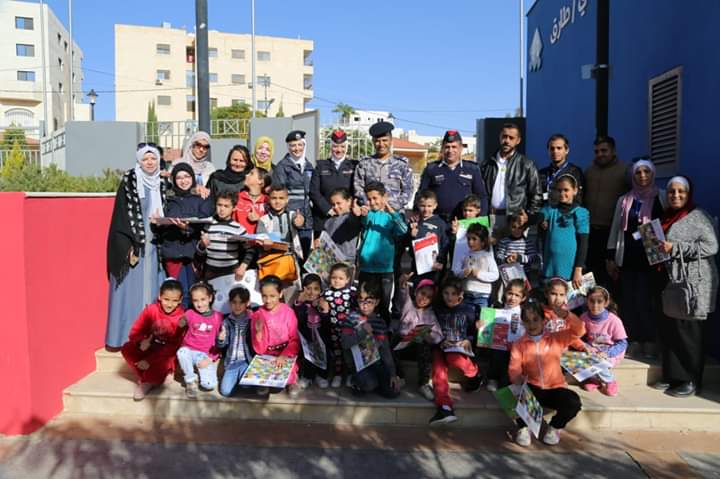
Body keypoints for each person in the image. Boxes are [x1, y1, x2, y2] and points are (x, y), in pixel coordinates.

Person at [655, 176, 718, 398]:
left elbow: (712, 246)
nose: (676, 195)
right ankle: (674, 375)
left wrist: (676, 248)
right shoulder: (666, 217)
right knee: (672, 329)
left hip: (695, 283)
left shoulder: (698, 216)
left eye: (681, 191)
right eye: (672, 191)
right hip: (674, 282)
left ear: (688, 194)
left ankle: (691, 379)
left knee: (689, 332)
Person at [106, 144, 167, 349]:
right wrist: (128, 243)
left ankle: (153, 335)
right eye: (145, 159)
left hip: (155, 247)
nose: (150, 163)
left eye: (153, 159)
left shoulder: (162, 183)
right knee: (130, 293)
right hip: (134, 246)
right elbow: (121, 214)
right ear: (139, 161)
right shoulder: (130, 180)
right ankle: (126, 336)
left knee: (153, 289)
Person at [607, 160, 666, 358]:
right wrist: (611, 256)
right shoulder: (625, 200)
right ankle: (633, 340)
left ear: (653, 174)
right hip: (628, 257)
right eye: (638, 172)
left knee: (646, 301)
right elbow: (616, 229)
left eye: (646, 171)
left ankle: (649, 341)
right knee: (629, 301)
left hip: (652, 259)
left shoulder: (661, 197)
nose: (642, 176)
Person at [509, 301, 585, 446]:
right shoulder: (519, 344)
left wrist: (567, 315)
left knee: (573, 402)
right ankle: (523, 427)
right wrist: (518, 383)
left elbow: (579, 331)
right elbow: (514, 369)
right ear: (522, 322)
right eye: (527, 321)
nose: (531, 324)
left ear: (543, 320)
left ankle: (555, 427)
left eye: (535, 319)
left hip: (555, 388)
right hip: (533, 388)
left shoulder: (556, 338)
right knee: (511, 393)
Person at [353, 182, 408, 324]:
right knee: (365, 302)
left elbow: (403, 230)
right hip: (366, 268)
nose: (372, 202)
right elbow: (364, 221)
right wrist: (362, 214)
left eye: (375, 198)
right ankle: (364, 331)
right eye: (369, 199)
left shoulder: (391, 217)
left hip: (385, 270)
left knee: (383, 304)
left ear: (385, 197)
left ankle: (384, 331)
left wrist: (392, 212)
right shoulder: (368, 214)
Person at [121, 278, 185, 401]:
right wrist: (141, 341)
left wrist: (149, 361)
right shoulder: (151, 310)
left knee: (159, 367)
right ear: (159, 296)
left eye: (174, 301)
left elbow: (173, 347)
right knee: (127, 348)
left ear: (180, 300)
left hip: (166, 355)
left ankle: (148, 381)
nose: (170, 304)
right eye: (166, 299)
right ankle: (149, 377)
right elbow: (135, 331)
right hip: (150, 348)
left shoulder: (182, 318)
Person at [430, 276, 482, 425]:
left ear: (461, 295)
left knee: (453, 357)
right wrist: (440, 341)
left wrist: (469, 339)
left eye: (453, 294)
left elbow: (472, 331)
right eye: (446, 293)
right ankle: (445, 408)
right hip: (441, 346)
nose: (449, 297)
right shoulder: (437, 309)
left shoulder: (468, 310)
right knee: (438, 372)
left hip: (459, 348)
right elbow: (432, 329)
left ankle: (475, 374)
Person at [159, 163, 214, 304]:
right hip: (173, 252)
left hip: (193, 253)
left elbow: (205, 221)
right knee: (177, 294)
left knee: (195, 293)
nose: (183, 181)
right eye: (179, 178)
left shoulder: (202, 197)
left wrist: (188, 228)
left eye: (187, 176)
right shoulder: (167, 199)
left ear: (193, 178)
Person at [583, 136, 630, 291]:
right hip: (591, 231)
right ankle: (591, 302)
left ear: (613, 151)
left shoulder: (625, 171)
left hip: (612, 232)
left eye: (604, 150)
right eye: (596, 151)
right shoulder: (589, 171)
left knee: (611, 274)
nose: (600, 154)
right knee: (591, 273)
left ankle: (612, 304)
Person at [341, 280, 401, 398]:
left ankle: (376, 382)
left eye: (369, 301)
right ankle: (356, 381)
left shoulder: (380, 322)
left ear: (377, 302)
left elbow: (385, 350)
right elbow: (345, 344)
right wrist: (362, 332)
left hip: (376, 363)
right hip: (358, 365)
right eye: (361, 300)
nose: (364, 305)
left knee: (393, 391)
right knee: (369, 384)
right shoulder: (351, 319)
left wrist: (393, 374)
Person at [479, 123, 542, 234]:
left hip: (515, 221)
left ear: (518, 140)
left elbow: (536, 195)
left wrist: (528, 217)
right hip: (490, 218)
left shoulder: (527, 164)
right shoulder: (487, 164)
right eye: (504, 136)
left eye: (511, 138)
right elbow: (480, 192)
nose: (507, 141)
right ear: (500, 137)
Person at [414, 130, 488, 220]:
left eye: (454, 147)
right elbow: (421, 193)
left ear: (461, 148)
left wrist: (482, 218)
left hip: (463, 221)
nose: (450, 150)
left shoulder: (472, 169)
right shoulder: (431, 169)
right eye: (447, 147)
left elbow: (481, 195)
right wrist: (416, 212)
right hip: (437, 220)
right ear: (442, 148)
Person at [395, 272, 443, 401]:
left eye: (429, 297)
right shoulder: (408, 304)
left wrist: (428, 334)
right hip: (402, 347)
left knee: (425, 345)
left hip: (418, 349)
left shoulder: (430, 314)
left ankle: (423, 383)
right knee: (393, 339)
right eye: (422, 293)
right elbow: (403, 294)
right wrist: (403, 284)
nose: (424, 298)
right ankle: (399, 376)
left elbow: (438, 337)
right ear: (416, 292)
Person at [251, 275, 301, 398]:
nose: (268, 300)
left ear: (280, 293)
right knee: (263, 374)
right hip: (267, 354)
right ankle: (264, 383)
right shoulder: (258, 315)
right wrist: (258, 333)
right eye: (264, 296)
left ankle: (292, 381)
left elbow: (294, 339)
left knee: (289, 374)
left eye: (272, 296)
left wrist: (284, 355)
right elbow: (259, 350)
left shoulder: (288, 312)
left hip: (285, 353)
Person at [539, 174, 590, 286]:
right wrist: (527, 219)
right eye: (559, 190)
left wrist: (578, 270)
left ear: (575, 191)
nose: (562, 193)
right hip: (550, 271)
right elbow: (538, 217)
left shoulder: (581, 213)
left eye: (566, 190)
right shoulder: (550, 210)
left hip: (570, 273)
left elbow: (583, 243)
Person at [577, 286, 627, 396]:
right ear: (587, 301)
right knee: (575, 358)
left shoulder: (614, 320)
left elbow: (623, 343)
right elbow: (580, 338)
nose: (595, 305)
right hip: (593, 350)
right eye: (591, 301)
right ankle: (595, 380)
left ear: (606, 302)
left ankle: (610, 380)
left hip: (611, 351)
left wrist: (607, 353)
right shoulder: (584, 317)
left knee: (597, 360)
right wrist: (585, 346)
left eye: (599, 301)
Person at [353, 121, 414, 212]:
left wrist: (392, 206)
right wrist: (370, 205)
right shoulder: (364, 164)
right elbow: (358, 189)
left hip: (394, 213)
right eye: (377, 141)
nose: (381, 144)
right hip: (371, 213)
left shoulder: (401, 164)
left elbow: (408, 190)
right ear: (373, 142)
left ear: (391, 140)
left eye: (384, 140)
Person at [272, 130, 314, 258]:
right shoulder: (282, 167)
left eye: (300, 145)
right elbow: (279, 194)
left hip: (307, 219)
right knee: (293, 257)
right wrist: (292, 215)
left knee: (307, 256)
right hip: (291, 219)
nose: (297, 149)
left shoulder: (309, 166)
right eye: (293, 145)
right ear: (288, 147)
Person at [176, 282, 223, 398]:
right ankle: (191, 381)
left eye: (203, 299)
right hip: (189, 351)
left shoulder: (218, 317)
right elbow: (181, 322)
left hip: (204, 355)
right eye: (195, 300)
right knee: (182, 352)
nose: (199, 304)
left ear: (210, 298)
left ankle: (201, 375)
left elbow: (219, 342)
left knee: (209, 385)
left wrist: (210, 358)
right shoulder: (190, 313)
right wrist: (181, 321)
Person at [197, 191, 257, 281]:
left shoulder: (238, 228)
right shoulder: (208, 225)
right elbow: (199, 253)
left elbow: (250, 250)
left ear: (234, 208)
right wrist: (202, 245)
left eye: (226, 206)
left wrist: (243, 267)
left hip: (231, 271)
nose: (222, 209)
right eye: (219, 205)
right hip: (210, 270)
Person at [310, 129, 358, 236]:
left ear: (346, 147)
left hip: (346, 219)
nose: (339, 150)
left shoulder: (354, 166)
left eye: (342, 146)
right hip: (323, 218)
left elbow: (356, 190)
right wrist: (328, 209)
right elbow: (314, 192)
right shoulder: (320, 166)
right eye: (335, 146)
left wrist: (346, 209)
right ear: (331, 147)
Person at [483, 278, 528, 392]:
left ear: (523, 298)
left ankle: (506, 380)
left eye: (517, 295)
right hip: (499, 348)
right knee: (497, 353)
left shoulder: (524, 314)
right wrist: (482, 325)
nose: (512, 298)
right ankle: (492, 378)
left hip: (516, 349)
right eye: (510, 293)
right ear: (505, 293)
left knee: (506, 378)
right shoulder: (497, 310)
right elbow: (486, 331)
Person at [319, 263, 356, 388]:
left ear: (347, 279)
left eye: (341, 278)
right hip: (334, 329)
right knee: (337, 353)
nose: (337, 281)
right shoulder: (326, 293)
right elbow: (321, 307)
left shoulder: (352, 292)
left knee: (350, 352)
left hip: (349, 330)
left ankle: (350, 375)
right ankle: (338, 375)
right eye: (334, 277)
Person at [216, 286, 255, 397]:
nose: (237, 306)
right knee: (225, 392)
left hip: (247, 361)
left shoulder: (252, 319)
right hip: (232, 363)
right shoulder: (227, 322)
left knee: (248, 386)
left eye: (241, 303)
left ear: (247, 303)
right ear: (230, 303)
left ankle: (242, 381)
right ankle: (236, 380)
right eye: (234, 302)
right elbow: (222, 345)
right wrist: (221, 339)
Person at [294, 274, 331, 389]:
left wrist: (324, 311)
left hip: (321, 338)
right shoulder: (301, 304)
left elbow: (328, 324)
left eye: (316, 289)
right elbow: (299, 320)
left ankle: (321, 376)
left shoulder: (323, 302)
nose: (311, 292)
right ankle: (307, 376)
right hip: (307, 337)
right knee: (308, 357)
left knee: (323, 356)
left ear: (320, 290)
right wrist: (299, 303)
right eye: (308, 288)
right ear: (303, 289)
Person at [452, 223, 498, 312]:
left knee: (481, 318)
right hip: (466, 294)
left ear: (483, 241)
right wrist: (463, 273)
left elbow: (495, 275)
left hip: (482, 296)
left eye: (474, 239)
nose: (470, 242)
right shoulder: (464, 255)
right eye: (468, 239)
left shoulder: (487, 256)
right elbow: (456, 271)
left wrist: (479, 274)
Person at [408, 190, 449, 284]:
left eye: (429, 206)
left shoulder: (440, 223)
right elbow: (409, 250)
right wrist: (412, 236)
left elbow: (445, 245)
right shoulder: (414, 222)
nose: (426, 209)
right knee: (418, 290)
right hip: (418, 268)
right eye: (422, 206)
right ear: (418, 205)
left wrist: (440, 262)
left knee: (433, 290)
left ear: (435, 206)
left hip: (434, 268)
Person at [538, 134, 585, 205]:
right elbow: (537, 196)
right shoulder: (542, 173)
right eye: (552, 148)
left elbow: (578, 198)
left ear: (567, 150)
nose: (555, 151)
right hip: (545, 210)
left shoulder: (575, 171)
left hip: (565, 211)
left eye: (559, 148)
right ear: (548, 151)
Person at [495, 213, 542, 284]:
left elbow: (533, 258)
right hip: (508, 274)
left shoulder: (527, 242)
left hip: (524, 274)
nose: (516, 230)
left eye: (520, 228)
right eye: (513, 227)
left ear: (524, 228)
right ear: (509, 226)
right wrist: (506, 259)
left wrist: (520, 258)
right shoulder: (504, 241)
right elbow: (499, 256)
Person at [323, 188, 362, 262]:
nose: (335, 207)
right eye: (333, 204)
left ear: (349, 201)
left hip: (346, 261)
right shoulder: (329, 221)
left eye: (338, 203)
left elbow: (354, 220)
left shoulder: (350, 217)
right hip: (330, 260)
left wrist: (355, 214)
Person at [234, 166, 271, 234]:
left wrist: (259, 220)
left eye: (251, 173)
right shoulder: (237, 197)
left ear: (260, 181)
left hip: (261, 239)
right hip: (239, 239)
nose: (246, 175)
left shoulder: (268, 201)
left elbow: (273, 224)